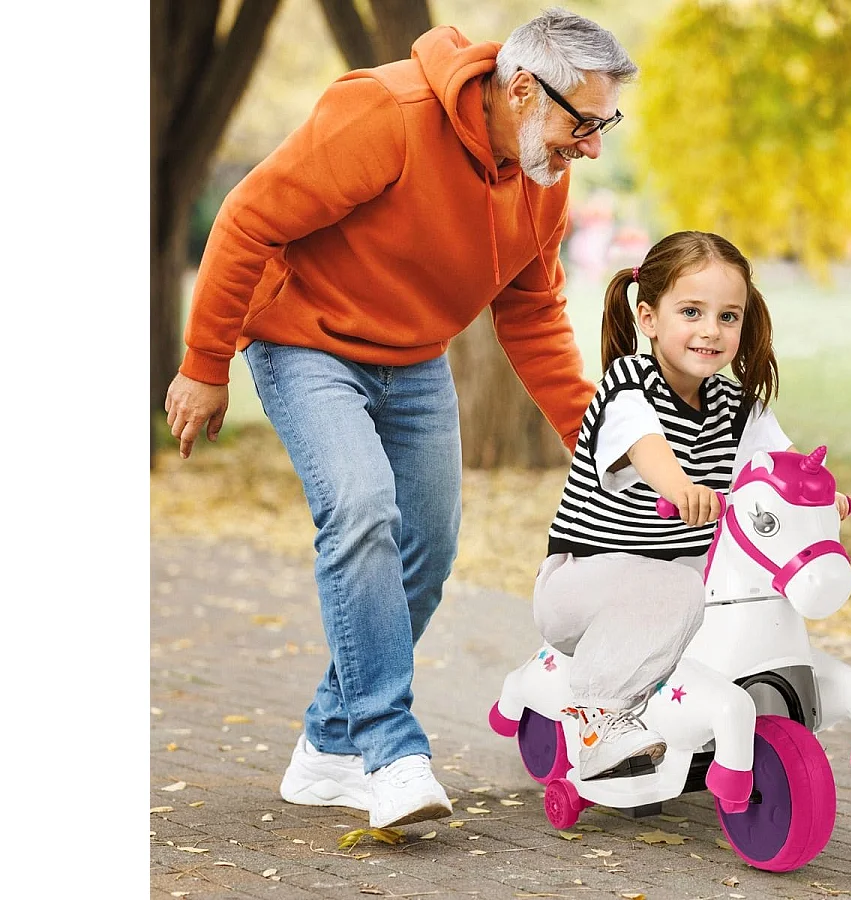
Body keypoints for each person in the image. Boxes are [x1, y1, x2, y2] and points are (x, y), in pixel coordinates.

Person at [162, 8, 637, 829]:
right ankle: (390, 751)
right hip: (304, 341)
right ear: (522, 88)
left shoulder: (539, 179)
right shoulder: (387, 116)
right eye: (583, 121)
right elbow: (248, 218)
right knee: (360, 508)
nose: (592, 146)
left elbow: (530, 316)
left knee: (430, 548)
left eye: (605, 124)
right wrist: (205, 364)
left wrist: (604, 442)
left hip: (414, 359)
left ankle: (326, 749)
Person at [532, 231, 850, 780]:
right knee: (684, 587)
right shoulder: (627, 385)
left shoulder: (737, 405)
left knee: (744, 596)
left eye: (729, 316)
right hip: (582, 582)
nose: (711, 330)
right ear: (649, 318)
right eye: (692, 311)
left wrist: (820, 496)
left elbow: (783, 467)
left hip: (675, 588)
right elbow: (645, 445)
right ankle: (595, 716)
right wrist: (680, 488)